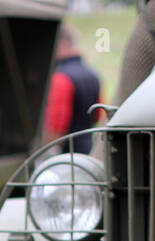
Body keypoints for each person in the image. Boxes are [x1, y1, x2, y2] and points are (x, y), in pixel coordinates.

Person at [44, 24, 104, 154]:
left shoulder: (61, 77)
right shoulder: (93, 74)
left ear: (62, 44)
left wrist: (48, 154)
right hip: (89, 150)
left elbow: (56, 126)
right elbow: (97, 115)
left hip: (68, 155)